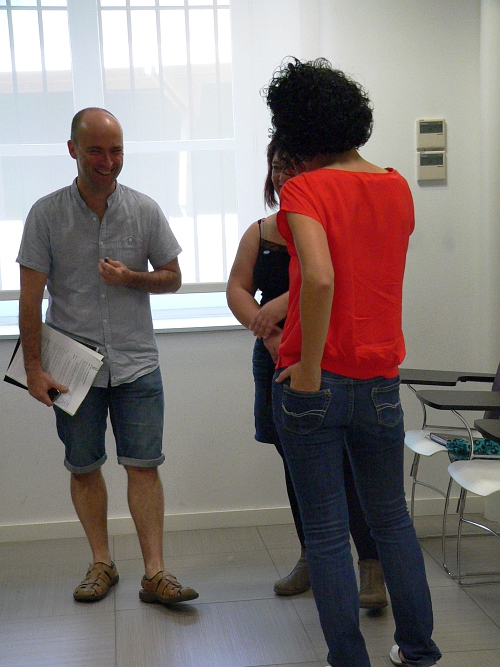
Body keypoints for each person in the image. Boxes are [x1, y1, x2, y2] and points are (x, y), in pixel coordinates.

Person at [264, 59, 442, 667]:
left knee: (325, 531)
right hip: (381, 382)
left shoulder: (304, 190)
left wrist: (310, 367)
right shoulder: (396, 186)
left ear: (298, 127)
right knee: (391, 521)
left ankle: (349, 660)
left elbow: (320, 277)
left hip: (315, 383)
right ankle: (418, 650)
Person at [17, 107, 198, 607]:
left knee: (144, 466)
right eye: (95, 150)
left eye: (116, 150)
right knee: (83, 466)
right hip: (70, 366)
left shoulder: (144, 209)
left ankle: (155, 573)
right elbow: (29, 300)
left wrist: (130, 278)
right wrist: (33, 369)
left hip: (137, 362)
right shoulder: (45, 214)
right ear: (72, 150)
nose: (108, 161)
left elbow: (173, 277)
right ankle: (102, 562)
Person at [226, 139, 387, 607]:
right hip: (274, 358)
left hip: (327, 358)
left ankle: (370, 565)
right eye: (277, 166)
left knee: (347, 465)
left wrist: (281, 306)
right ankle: (313, 557)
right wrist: (266, 332)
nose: (283, 175)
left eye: (293, 165)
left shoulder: (330, 225)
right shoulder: (260, 232)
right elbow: (237, 289)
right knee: (295, 463)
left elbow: (331, 281)